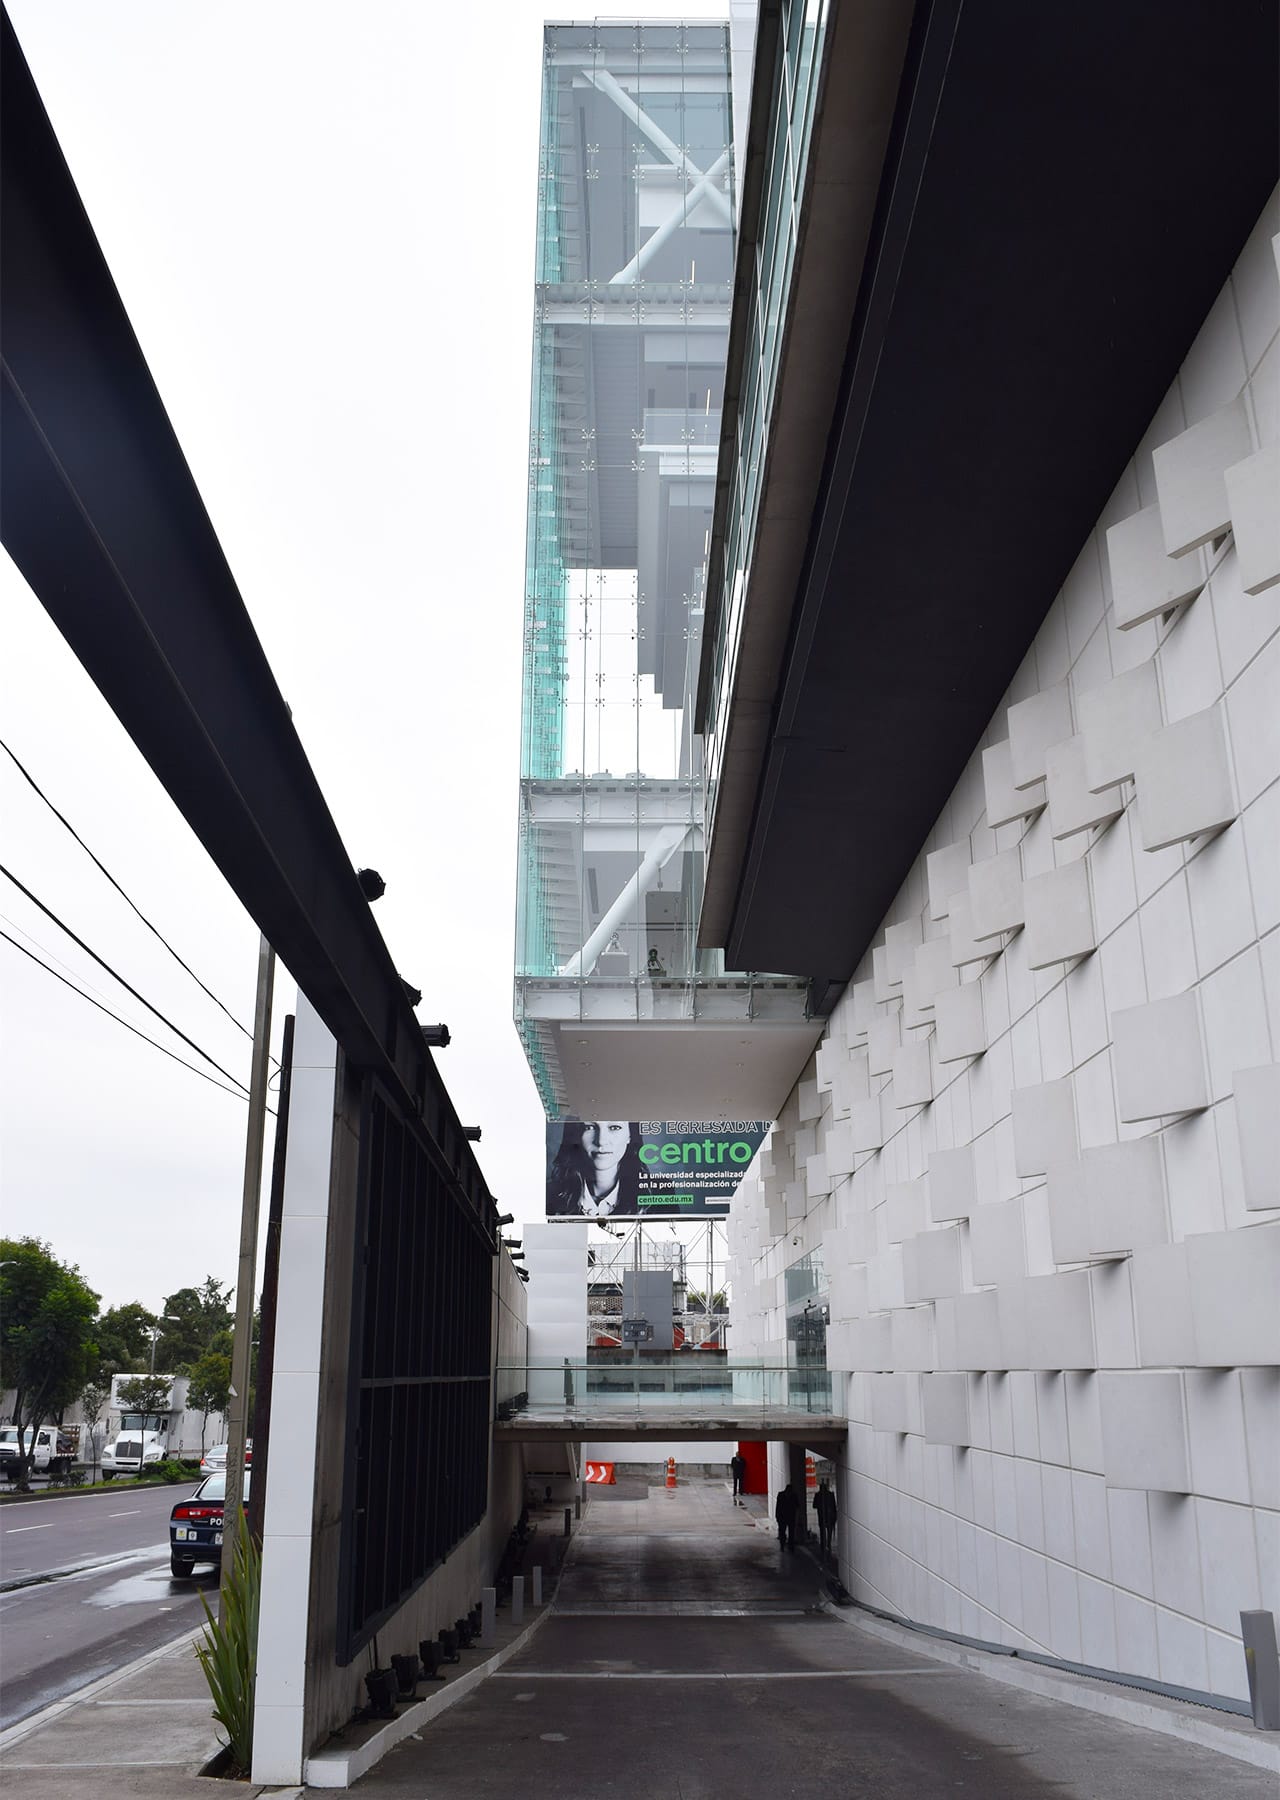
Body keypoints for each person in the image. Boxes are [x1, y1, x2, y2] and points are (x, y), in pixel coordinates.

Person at [545, 1120, 643, 1218]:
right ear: (577, 1135)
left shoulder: (652, 1199)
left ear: (630, 1135)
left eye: (614, 1127)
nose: (601, 1141)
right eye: (589, 1128)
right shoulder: (549, 1197)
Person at [814, 1478, 837, 1560]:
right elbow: (834, 1506)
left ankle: (824, 1544)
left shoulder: (818, 1495)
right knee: (829, 1531)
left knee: (823, 1531)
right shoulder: (830, 1495)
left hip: (823, 1516)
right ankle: (828, 1543)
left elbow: (814, 1505)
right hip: (829, 1517)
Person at [775, 1481, 799, 1550]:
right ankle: (782, 1545)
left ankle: (791, 1546)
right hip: (782, 1517)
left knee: (791, 1532)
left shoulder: (794, 1496)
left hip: (791, 1517)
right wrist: (777, 1516)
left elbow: (797, 1506)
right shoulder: (781, 1495)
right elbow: (778, 1506)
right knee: (782, 1532)